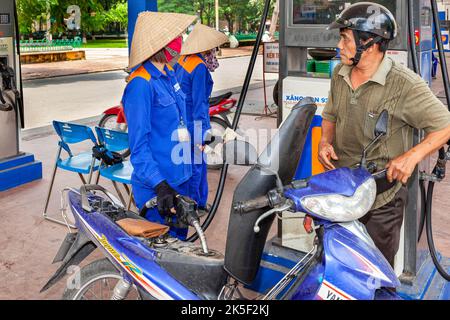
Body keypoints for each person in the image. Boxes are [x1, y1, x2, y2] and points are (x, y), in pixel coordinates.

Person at [320, 3, 450, 267]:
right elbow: (330, 116)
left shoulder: (405, 84)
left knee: (374, 271)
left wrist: (411, 157)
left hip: (382, 198)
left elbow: (445, 125)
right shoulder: (339, 73)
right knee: (338, 263)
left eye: (345, 38)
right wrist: (324, 141)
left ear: (369, 42)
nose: (339, 45)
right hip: (344, 187)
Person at [121, 12, 197, 240]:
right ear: (160, 45)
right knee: (160, 257)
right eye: (175, 38)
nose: (180, 42)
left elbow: (180, 119)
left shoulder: (170, 74)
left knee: (180, 249)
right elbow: (139, 147)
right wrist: (160, 185)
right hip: (159, 189)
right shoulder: (140, 85)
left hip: (181, 178)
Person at [174, 23, 229, 214]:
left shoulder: (182, 60)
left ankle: (195, 201)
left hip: (181, 121)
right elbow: (199, 103)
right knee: (197, 166)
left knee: (190, 164)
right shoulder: (198, 67)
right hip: (194, 123)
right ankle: (195, 205)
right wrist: (202, 133)